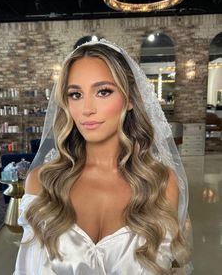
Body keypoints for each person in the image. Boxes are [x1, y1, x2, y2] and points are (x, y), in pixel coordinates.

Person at [14, 39, 193, 275]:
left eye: (103, 92)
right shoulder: (41, 183)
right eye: (75, 94)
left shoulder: (161, 183)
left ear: (129, 100)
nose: (87, 108)